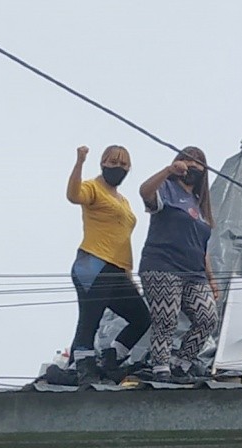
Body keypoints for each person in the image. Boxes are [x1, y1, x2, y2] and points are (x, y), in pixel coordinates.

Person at [66, 145, 151, 387]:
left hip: (117, 269)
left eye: (124, 164)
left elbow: (122, 237)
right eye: (114, 162)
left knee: (141, 317)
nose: (119, 167)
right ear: (103, 163)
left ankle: (111, 357)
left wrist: (128, 273)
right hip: (93, 262)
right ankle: (83, 366)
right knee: (89, 319)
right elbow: (73, 195)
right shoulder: (93, 187)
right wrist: (80, 162)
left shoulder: (123, 200)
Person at [138, 147, 220, 382]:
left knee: (207, 317)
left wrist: (211, 279)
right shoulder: (167, 189)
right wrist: (167, 171)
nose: (192, 165)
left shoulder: (200, 204)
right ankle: (161, 367)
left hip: (194, 272)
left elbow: (202, 247)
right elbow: (144, 192)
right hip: (163, 265)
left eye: (198, 162)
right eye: (187, 159)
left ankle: (181, 363)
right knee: (166, 318)